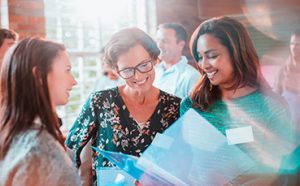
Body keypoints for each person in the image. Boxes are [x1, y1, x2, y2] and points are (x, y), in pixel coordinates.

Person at [180, 16, 295, 185]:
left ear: (236, 53)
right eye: (199, 56)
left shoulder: (271, 106)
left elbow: (281, 171)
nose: (204, 65)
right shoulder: (192, 104)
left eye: (211, 56)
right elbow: (183, 158)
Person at [65, 28, 181, 185]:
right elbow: (69, 153)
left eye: (144, 65)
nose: (138, 76)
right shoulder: (100, 102)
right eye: (127, 70)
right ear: (116, 70)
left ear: (154, 59)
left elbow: (182, 164)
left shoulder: (175, 107)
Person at [0, 38, 79, 185]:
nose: (74, 81)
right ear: (39, 75)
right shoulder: (39, 152)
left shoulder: (12, 133)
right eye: (67, 70)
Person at [154, 23, 201, 99]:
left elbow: (197, 109)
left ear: (181, 45)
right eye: (157, 40)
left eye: (165, 41)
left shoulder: (192, 76)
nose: (159, 45)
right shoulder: (153, 72)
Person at [274, 28, 300, 144]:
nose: (294, 47)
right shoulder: (284, 69)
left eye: (298, 44)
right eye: (292, 43)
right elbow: (275, 96)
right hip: (287, 131)